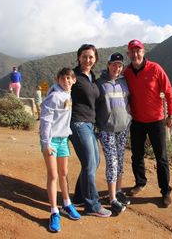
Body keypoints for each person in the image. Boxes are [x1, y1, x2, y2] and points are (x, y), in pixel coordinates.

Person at [123, 39, 172, 207]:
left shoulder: (155, 68)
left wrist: (171, 114)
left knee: (161, 158)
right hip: (137, 121)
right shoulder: (126, 73)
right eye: (132, 51)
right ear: (128, 54)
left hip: (157, 121)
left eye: (138, 51)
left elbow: (168, 92)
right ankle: (140, 183)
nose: (135, 54)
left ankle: (165, 191)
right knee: (136, 155)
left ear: (143, 52)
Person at [70, 44, 112, 217]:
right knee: (89, 163)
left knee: (94, 163)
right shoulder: (73, 76)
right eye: (84, 56)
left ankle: (80, 196)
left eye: (91, 57)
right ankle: (92, 205)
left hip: (90, 124)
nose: (88, 60)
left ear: (95, 60)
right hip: (78, 123)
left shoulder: (92, 77)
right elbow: (59, 91)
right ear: (79, 57)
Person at [39, 67, 81, 233]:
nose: (66, 81)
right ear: (58, 80)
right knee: (54, 175)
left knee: (64, 173)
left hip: (63, 139)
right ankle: (54, 211)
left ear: (74, 80)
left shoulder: (68, 94)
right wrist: (46, 143)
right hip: (51, 141)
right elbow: (45, 121)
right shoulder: (55, 96)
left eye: (69, 78)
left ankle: (67, 204)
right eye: (63, 79)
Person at [96, 52, 132, 215]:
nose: (116, 68)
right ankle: (112, 199)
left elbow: (129, 101)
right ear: (108, 65)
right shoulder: (99, 83)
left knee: (120, 161)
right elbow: (94, 106)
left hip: (123, 128)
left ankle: (118, 192)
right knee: (112, 162)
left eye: (119, 65)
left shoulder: (124, 82)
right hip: (107, 129)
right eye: (114, 64)